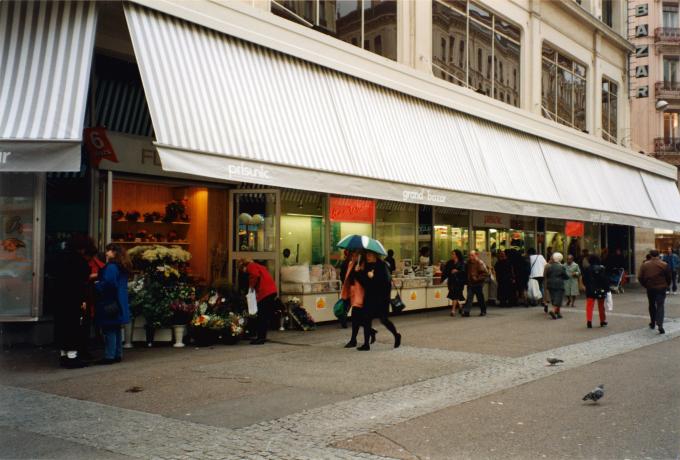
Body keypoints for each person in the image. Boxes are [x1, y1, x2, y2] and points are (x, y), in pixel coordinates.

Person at [53, 235, 91, 368]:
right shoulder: (78, 260)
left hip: (59, 296)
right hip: (73, 297)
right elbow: (83, 278)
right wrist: (83, 299)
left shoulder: (59, 257)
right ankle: (72, 356)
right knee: (73, 325)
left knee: (62, 325)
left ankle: (63, 355)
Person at [355, 250, 401, 350]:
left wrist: (373, 277)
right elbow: (365, 283)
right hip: (369, 297)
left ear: (376, 255)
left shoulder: (382, 265)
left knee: (384, 320)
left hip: (381, 299)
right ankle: (366, 344)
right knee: (366, 319)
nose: (368, 257)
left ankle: (396, 335)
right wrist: (358, 273)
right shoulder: (367, 265)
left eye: (370, 255)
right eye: (367, 255)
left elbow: (385, 283)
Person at [94, 243, 132, 364]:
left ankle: (109, 356)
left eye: (109, 251)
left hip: (110, 300)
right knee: (116, 328)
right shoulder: (123, 266)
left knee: (109, 328)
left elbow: (109, 283)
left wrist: (97, 286)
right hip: (120, 300)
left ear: (114, 252)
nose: (106, 253)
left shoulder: (111, 267)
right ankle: (117, 354)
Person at [240, 258, 278, 344]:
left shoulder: (251, 266)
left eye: (242, 269)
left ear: (244, 266)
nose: (244, 271)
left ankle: (260, 338)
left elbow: (254, 275)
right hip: (271, 291)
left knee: (261, 315)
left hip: (265, 292)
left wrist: (251, 287)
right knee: (264, 315)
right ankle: (262, 336)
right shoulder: (260, 266)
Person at [341, 251, 373, 350]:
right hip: (355, 296)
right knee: (355, 319)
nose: (353, 257)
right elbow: (347, 279)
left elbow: (367, 283)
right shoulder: (351, 264)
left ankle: (366, 344)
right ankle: (353, 340)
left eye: (355, 255)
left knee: (365, 319)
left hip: (366, 297)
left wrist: (358, 272)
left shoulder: (367, 266)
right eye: (353, 255)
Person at [81, 240, 105, 360]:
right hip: (89, 292)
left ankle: (87, 346)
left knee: (87, 320)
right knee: (89, 319)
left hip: (89, 292)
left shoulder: (90, 261)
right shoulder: (93, 261)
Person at [639, 249, 672, 334]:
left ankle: (653, 322)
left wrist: (645, 285)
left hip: (650, 288)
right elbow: (668, 277)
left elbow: (640, 277)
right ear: (658, 255)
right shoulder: (664, 264)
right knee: (660, 305)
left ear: (650, 255)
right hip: (661, 288)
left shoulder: (644, 265)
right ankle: (660, 324)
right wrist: (667, 285)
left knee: (651, 304)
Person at [582, 255, 609, 329]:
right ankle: (602, 321)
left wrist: (586, 286)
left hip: (590, 289)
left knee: (589, 306)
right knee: (601, 306)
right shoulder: (602, 268)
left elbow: (584, 279)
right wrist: (607, 289)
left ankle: (589, 321)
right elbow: (605, 280)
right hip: (600, 289)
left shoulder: (587, 269)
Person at [463, 250, 489, 317]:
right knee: (469, 297)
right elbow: (466, 272)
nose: (470, 257)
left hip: (478, 283)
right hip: (470, 283)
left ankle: (483, 311)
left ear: (476, 255)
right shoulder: (468, 263)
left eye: (472, 255)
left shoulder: (479, 263)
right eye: (470, 255)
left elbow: (485, 273)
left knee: (480, 298)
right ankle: (466, 311)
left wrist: (477, 278)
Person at [544, 252, 568, 320]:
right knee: (558, 299)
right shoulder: (562, 267)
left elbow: (547, 275)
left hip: (550, 284)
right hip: (559, 284)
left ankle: (558, 313)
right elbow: (565, 276)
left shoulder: (549, 266)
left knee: (554, 298)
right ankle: (554, 311)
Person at [443, 250, 466, 316]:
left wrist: (457, 271)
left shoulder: (462, 263)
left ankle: (453, 310)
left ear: (457, 255)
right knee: (457, 294)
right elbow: (446, 271)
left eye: (453, 254)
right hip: (451, 281)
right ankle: (461, 307)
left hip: (459, 281)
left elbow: (464, 272)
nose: (452, 255)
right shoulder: (449, 262)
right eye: (452, 254)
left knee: (455, 295)